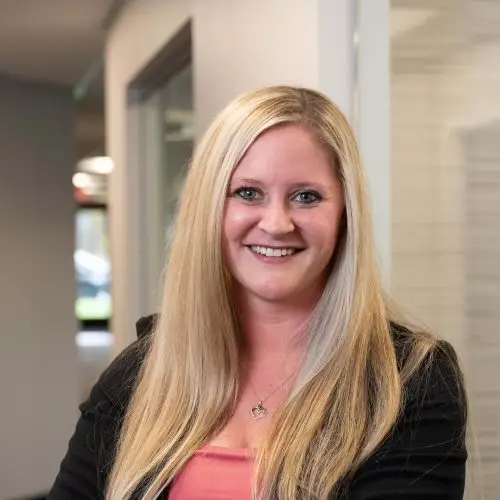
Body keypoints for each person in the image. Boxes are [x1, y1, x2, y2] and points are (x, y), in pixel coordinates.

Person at [48, 86, 467, 500]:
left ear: (345, 214)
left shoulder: (410, 377)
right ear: (210, 207)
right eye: (248, 193)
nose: (276, 222)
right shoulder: (143, 371)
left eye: (306, 197)